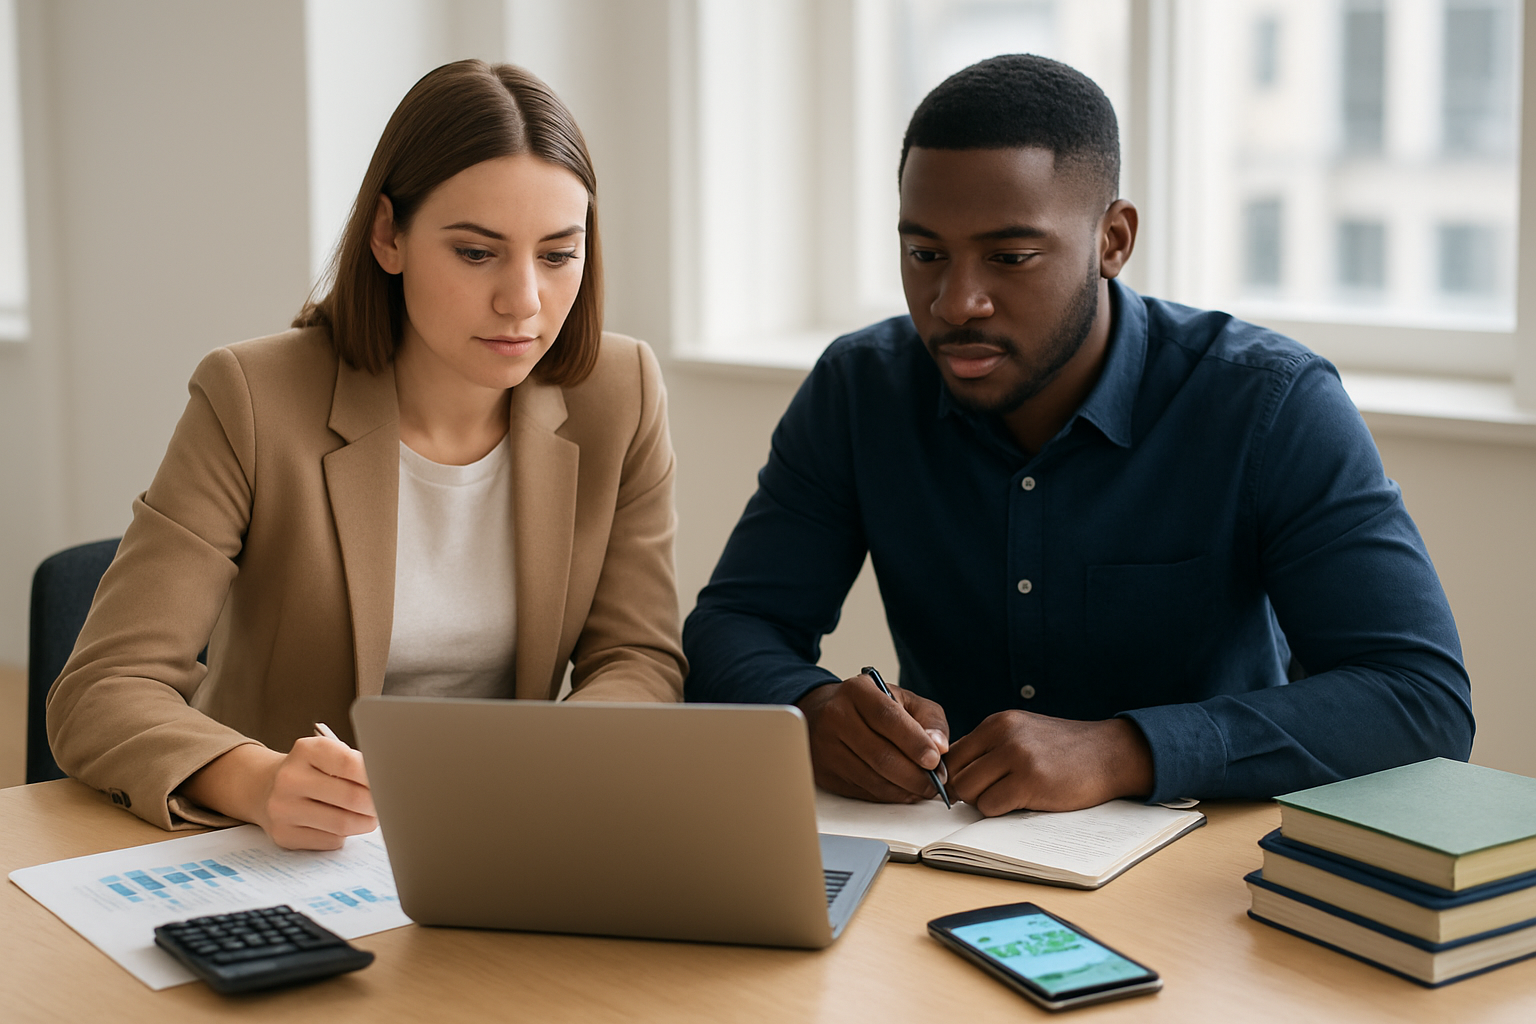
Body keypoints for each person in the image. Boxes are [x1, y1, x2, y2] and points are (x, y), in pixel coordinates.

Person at [683, 54, 1472, 815]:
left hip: (1207, 878)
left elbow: (1422, 700)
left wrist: (1123, 751)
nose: (957, 302)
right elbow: (731, 628)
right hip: (946, 859)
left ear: (1113, 241)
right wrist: (813, 708)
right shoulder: (860, 390)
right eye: (925, 253)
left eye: (1010, 256)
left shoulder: (1268, 402)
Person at [47, 61, 685, 849]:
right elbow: (103, 689)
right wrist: (257, 778)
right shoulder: (250, 396)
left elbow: (638, 659)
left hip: (497, 842)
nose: (524, 300)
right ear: (389, 235)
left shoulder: (619, 393)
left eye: (558, 255)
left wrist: (544, 765)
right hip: (285, 855)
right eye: (477, 253)